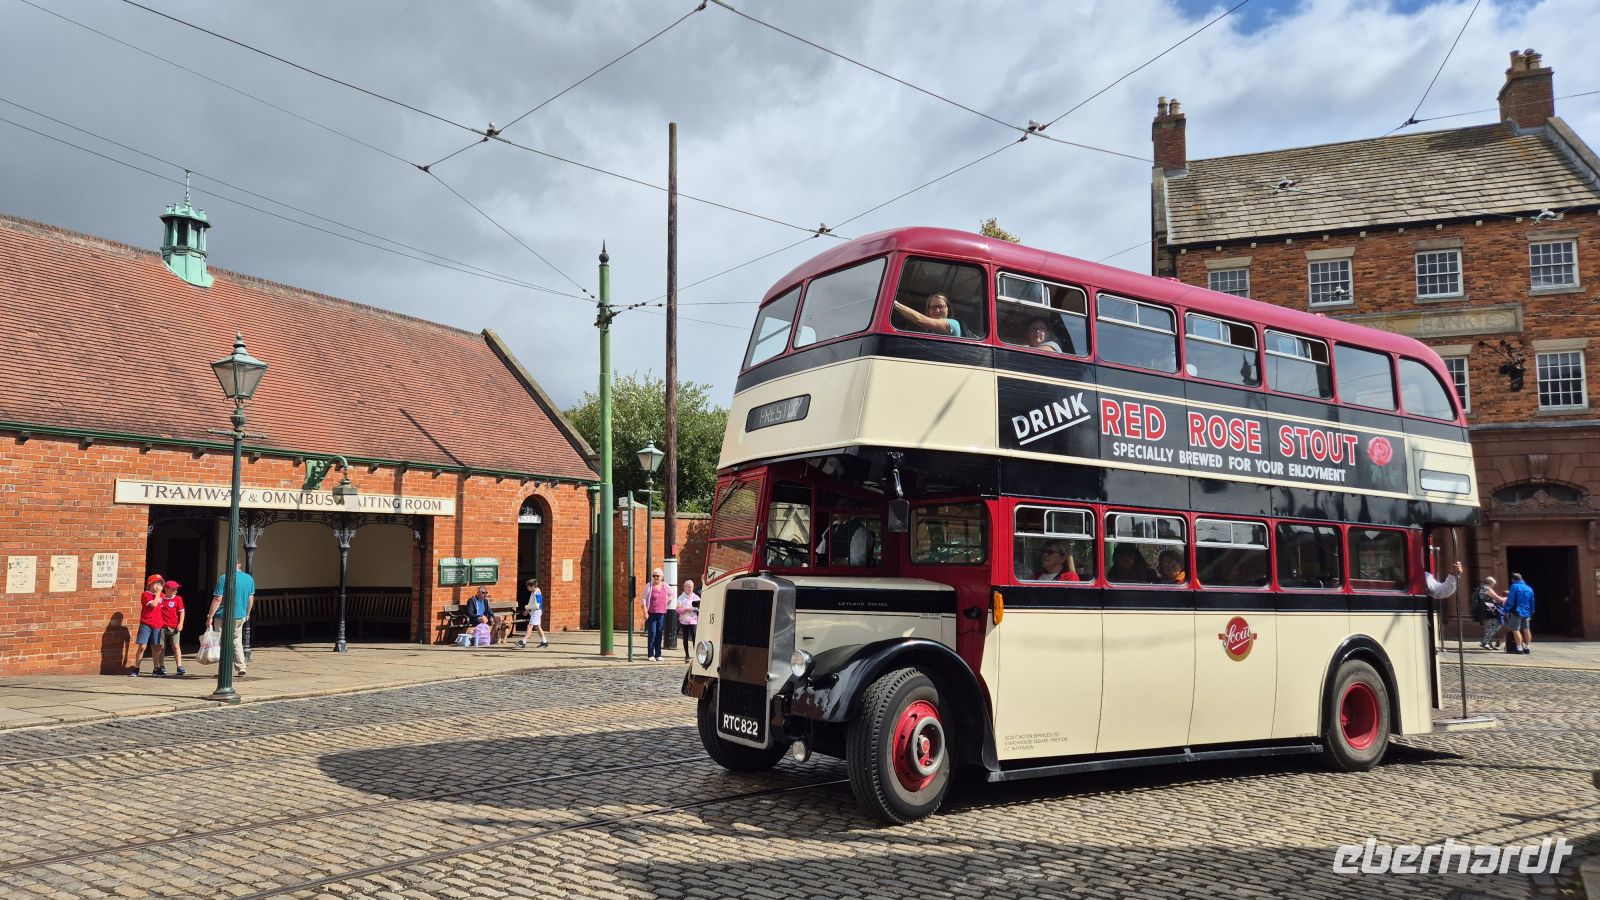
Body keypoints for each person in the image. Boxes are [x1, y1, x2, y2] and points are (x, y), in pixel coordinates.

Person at [207, 562, 255, 677]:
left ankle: (224, 669)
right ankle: (241, 667)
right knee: (236, 641)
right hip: (240, 615)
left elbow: (218, 599)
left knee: (221, 641)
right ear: (239, 565)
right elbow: (250, 599)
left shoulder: (224, 578)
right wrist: (247, 614)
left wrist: (210, 616)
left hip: (223, 615)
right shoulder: (249, 579)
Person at [129, 574, 165, 676]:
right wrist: (158, 593)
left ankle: (156, 668)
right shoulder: (146, 594)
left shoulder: (162, 596)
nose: (158, 586)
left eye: (160, 583)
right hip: (146, 623)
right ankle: (136, 668)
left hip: (157, 624)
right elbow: (153, 605)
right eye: (156, 583)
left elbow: (163, 609)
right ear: (149, 585)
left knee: (156, 647)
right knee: (142, 646)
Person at [639, 568, 674, 661]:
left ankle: (658, 654)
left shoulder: (665, 585)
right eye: (654, 576)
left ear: (661, 577)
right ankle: (650, 654)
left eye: (657, 576)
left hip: (661, 613)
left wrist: (667, 601)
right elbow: (643, 599)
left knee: (659, 634)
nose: (655, 577)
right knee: (652, 634)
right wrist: (645, 612)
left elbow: (672, 594)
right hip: (652, 613)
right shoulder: (649, 586)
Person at [893, 292, 963, 336]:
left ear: (948, 308)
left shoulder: (954, 324)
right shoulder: (928, 330)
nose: (937, 310)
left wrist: (894, 303)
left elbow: (920, 320)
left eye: (940, 306)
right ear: (928, 310)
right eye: (933, 307)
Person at [156, 579, 186, 677]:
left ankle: (179, 666)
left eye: (176, 589)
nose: (175, 591)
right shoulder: (161, 598)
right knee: (161, 647)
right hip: (162, 626)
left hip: (174, 626)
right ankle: (161, 666)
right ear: (166, 589)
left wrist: (180, 623)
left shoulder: (178, 599)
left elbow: (182, 611)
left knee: (176, 646)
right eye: (173, 589)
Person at [1504, 572, 1536, 654]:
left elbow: (1510, 600)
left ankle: (1519, 648)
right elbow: (1532, 601)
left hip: (1516, 611)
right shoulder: (1529, 588)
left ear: (1512, 579)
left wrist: (1506, 610)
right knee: (1526, 629)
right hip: (1527, 612)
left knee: (1515, 630)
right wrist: (1531, 611)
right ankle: (1527, 647)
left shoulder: (1514, 586)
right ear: (1521, 578)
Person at [1472, 576, 1507, 650]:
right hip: (1488, 610)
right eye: (1493, 584)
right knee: (1496, 625)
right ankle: (1485, 642)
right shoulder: (1487, 589)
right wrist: (1506, 598)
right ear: (1491, 583)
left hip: (1482, 610)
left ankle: (1489, 643)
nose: (1493, 586)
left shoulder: (1480, 588)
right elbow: (1498, 599)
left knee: (1489, 626)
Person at [517, 579, 548, 649]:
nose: (527, 588)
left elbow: (537, 605)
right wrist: (527, 610)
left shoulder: (537, 593)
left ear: (533, 586)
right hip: (535, 611)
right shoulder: (533, 593)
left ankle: (523, 642)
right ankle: (544, 641)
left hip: (536, 612)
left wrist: (527, 607)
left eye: (528, 586)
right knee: (538, 627)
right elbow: (531, 603)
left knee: (529, 626)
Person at [676, 579, 700, 661]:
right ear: (684, 588)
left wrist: (694, 609)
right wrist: (685, 610)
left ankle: (696, 655)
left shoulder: (696, 597)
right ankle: (687, 655)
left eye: (691, 587)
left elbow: (700, 608)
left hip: (693, 620)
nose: (690, 589)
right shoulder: (681, 598)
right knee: (685, 638)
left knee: (694, 637)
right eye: (688, 587)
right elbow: (678, 610)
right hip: (684, 620)